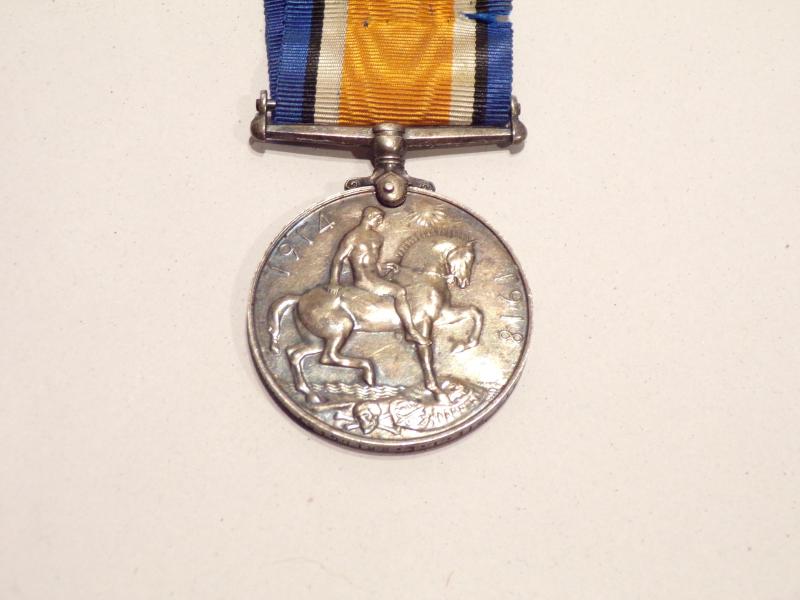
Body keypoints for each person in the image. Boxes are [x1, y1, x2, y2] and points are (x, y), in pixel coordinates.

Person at [328, 206, 430, 345]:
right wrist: (334, 282)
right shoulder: (353, 237)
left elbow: (373, 262)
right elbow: (338, 259)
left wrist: (384, 267)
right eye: (378, 219)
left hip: (375, 277)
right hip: (364, 280)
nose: (380, 222)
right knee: (399, 291)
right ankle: (410, 331)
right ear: (369, 216)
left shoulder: (377, 237)